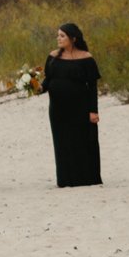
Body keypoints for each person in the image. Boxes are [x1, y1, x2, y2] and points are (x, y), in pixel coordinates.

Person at [45, 21, 102, 187]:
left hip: (80, 107)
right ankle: (65, 178)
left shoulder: (86, 58)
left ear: (73, 38)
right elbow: (48, 79)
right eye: (58, 35)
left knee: (83, 141)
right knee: (62, 142)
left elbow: (92, 86)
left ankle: (86, 177)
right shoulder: (53, 56)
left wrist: (93, 111)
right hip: (57, 109)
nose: (58, 38)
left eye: (62, 36)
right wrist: (35, 87)